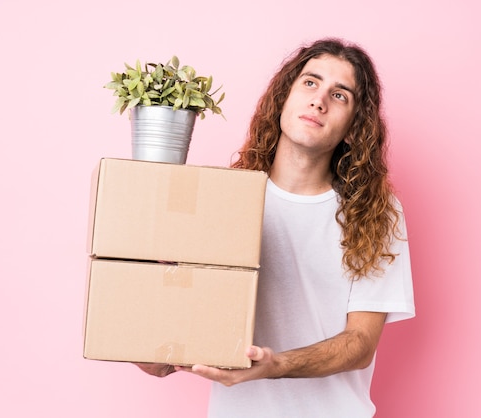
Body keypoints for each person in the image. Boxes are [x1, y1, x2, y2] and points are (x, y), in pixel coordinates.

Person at [136, 37, 415, 417]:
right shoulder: (222, 199)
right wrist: (142, 292)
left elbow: (361, 343)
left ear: (353, 128)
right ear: (284, 98)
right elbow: (157, 362)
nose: (319, 100)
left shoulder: (377, 213)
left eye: (340, 95)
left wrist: (276, 365)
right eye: (311, 83)